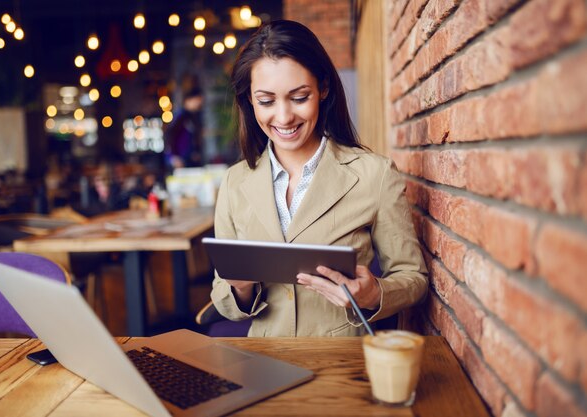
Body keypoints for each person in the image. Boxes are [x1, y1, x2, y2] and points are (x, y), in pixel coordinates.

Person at [211, 20, 428, 337]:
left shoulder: (374, 174)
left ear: (323, 89)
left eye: (299, 97)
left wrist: (375, 293)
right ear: (249, 100)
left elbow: (413, 277)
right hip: (263, 364)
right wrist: (240, 289)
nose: (284, 117)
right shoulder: (234, 183)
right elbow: (222, 297)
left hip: (342, 364)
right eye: (267, 101)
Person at [163, 75, 204, 173]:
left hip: (189, 160)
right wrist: (174, 158)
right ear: (189, 100)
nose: (199, 105)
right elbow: (170, 136)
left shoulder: (194, 117)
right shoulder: (180, 116)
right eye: (197, 101)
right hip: (179, 162)